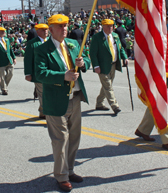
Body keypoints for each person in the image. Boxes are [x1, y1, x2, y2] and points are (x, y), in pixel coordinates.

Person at [35, 14, 90, 192]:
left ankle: (70, 170)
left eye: (65, 26)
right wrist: (62, 76)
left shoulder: (72, 45)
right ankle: (61, 176)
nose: (64, 29)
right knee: (61, 140)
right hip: (56, 101)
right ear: (50, 30)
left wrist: (83, 64)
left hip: (75, 98)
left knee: (74, 138)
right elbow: (40, 74)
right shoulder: (43, 50)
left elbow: (87, 60)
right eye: (59, 26)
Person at [134, 31, 168, 152]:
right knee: (161, 104)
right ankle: (167, 140)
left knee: (155, 101)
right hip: (151, 72)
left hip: (160, 71)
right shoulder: (148, 22)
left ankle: (143, 129)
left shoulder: (160, 26)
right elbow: (153, 49)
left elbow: (164, 57)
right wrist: (167, 42)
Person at [90, 19, 128, 115]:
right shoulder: (97, 37)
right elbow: (93, 53)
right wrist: (96, 66)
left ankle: (99, 103)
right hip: (102, 66)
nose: (110, 28)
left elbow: (120, 48)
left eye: (111, 26)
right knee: (108, 86)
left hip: (113, 64)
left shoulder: (115, 36)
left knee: (106, 85)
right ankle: (115, 106)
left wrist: (125, 57)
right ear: (103, 26)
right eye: (108, 26)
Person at [24, 23, 49, 119]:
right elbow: (28, 59)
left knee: (47, 94)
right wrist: (28, 73)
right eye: (43, 30)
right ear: (37, 31)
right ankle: (46, 113)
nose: (45, 31)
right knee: (43, 94)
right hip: (38, 73)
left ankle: (42, 111)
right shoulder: (32, 43)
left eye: (46, 29)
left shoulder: (50, 41)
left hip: (49, 73)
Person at [0, 27, 16, 95]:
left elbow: (10, 49)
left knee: (11, 73)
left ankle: (4, 85)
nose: (3, 32)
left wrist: (14, 57)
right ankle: (4, 89)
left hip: (9, 60)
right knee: (2, 76)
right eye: (2, 31)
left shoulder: (6, 39)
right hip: (0, 62)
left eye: (4, 31)